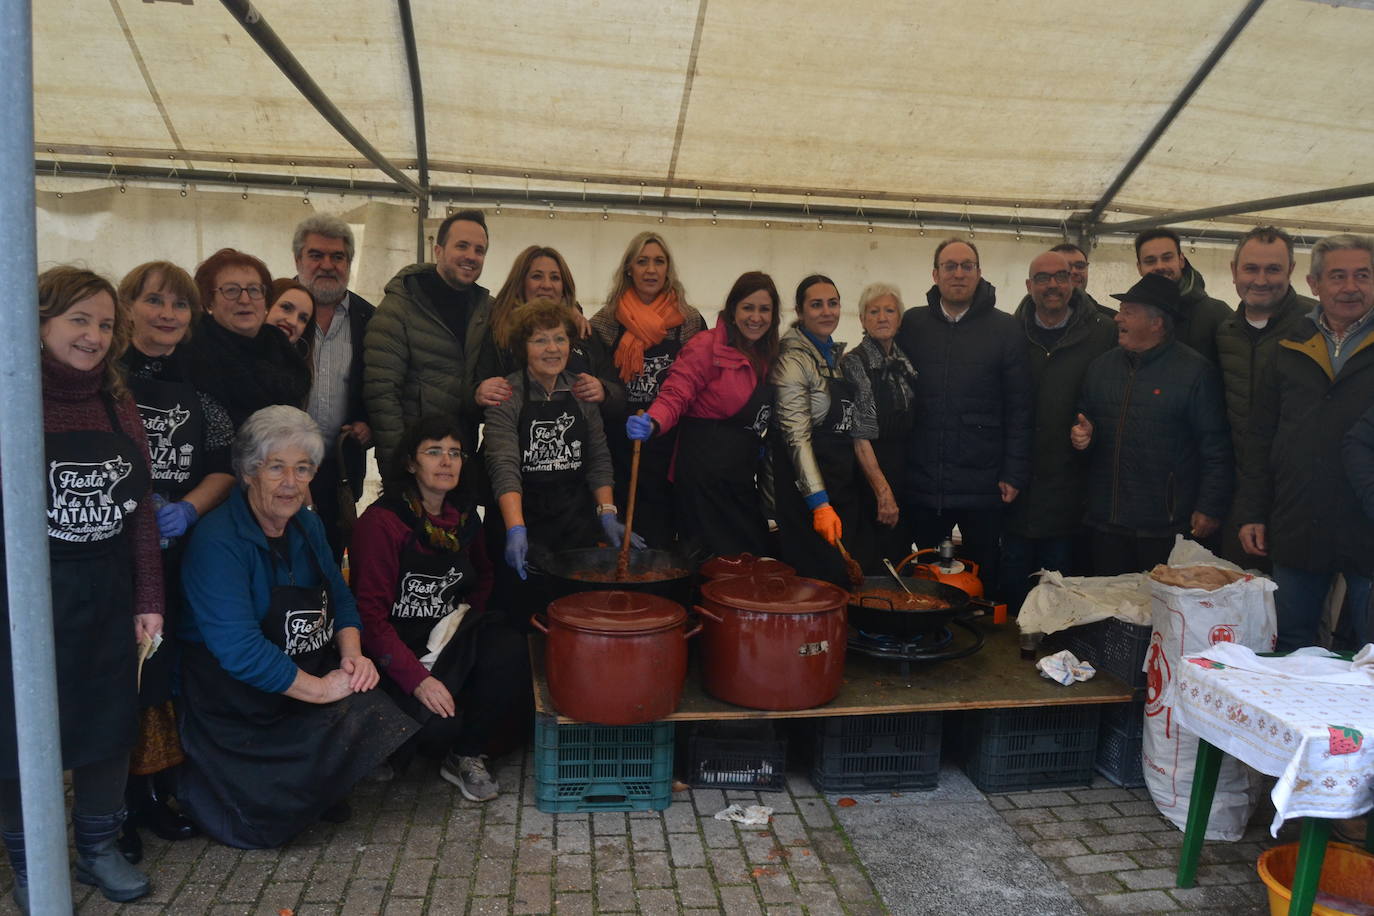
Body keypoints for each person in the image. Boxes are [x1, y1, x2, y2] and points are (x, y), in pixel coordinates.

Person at [177, 406, 415, 849]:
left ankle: (307, 789)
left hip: (292, 677)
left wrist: (351, 654)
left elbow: (339, 597)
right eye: (277, 468)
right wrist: (321, 690)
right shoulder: (218, 542)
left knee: (372, 703)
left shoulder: (307, 523)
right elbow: (240, 649)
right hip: (232, 700)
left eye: (302, 468)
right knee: (259, 823)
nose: (291, 483)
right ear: (249, 471)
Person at [0, 267, 161, 907]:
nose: (94, 336)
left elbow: (141, 510)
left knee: (107, 725)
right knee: (15, 732)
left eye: (103, 323)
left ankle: (98, 848)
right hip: (22, 597)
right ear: (39, 321)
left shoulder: (116, 401)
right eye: (78, 320)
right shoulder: (12, 392)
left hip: (105, 588)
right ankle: (30, 858)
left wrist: (149, 598)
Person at [116, 261, 238, 861]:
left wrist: (186, 509)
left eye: (180, 305)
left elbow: (222, 464)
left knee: (160, 674)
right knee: (119, 676)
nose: (167, 314)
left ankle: (155, 791)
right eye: (155, 301)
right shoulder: (105, 377)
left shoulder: (199, 379)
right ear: (128, 306)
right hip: (110, 549)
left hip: (175, 548)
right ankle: (111, 805)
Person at [349, 415, 529, 801]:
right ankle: (408, 742)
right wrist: (418, 679)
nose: (446, 461)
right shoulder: (382, 523)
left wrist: (463, 620)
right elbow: (371, 620)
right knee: (435, 729)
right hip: (397, 648)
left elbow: (484, 576)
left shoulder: (464, 518)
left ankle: (466, 756)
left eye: (454, 453)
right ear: (411, 463)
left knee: (509, 646)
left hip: (446, 638)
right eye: (434, 452)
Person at [1237, 233, 1374, 651]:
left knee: (1369, 649)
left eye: (1363, 275)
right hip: (1299, 517)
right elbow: (1260, 436)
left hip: (1367, 520)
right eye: (1337, 276)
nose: (1350, 286)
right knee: (1291, 641)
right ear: (1314, 285)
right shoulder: (1287, 344)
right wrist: (1252, 510)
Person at [895, 239, 1032, 596]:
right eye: (950, 266)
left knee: (980, 574)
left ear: (979, 273)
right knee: (924, 572)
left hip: (983, 482)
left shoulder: (1006, 329)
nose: (959, 273)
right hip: (923, 479)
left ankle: (979, 640)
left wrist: (1014, 472)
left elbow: (1019, 407)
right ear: (935, 274)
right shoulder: (912, 323)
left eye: (967, 266)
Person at [1072, 274, 1231, 575]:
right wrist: (1083, 437)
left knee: (1159, 614)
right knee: (1113, 610)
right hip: (1106, 524)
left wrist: (1210, 507)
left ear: (1157, 323)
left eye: (1128, 311)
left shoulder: (1195, 373)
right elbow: (1083, 422)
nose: (1117, 317)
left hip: (1165, 528)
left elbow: (1216, 447)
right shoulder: (1101, 367)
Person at [628, 271, 780, 558]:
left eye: (764, 309)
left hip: (740, 478)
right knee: (709, 565)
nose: (756, 317)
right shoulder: (705, 346)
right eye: (748, 307)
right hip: (701, 481)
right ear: (733, 311)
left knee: (749, 559)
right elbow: (676, 392)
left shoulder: (769, 356)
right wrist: (653, 420)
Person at [485, 300, 636, 587]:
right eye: (540, 340)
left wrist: (607, 513)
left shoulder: (581, 389)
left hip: (574, 525)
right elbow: (504, 467)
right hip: (523, 520)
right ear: (523, 347)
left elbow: (599, 458)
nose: (552, 349)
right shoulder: (507, 394)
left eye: (559, 339)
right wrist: (516, 529)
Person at [1000, 251, 1116, 611]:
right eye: (1043, 278)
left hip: (1071, 487)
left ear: (1074, 281)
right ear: (1028, 285)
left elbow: (1117, 400)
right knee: (1013, 592)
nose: (1052, 285)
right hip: (1015, 482)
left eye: (1061, 276)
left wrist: (1094, 430)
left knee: (1061, 590)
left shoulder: (1104, 333)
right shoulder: (1008, 332)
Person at [589, 232, 705, 548]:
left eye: (658, 261)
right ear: (629, 269)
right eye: (642, 262)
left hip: (669, 449)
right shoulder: (604, 323)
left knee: (662, 540)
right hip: (618, 448)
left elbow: (698, 385)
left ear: (668, 269)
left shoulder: (690, 321)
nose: (651, 270)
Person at [1213, 226, 1316, 568]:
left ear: (1290, 271)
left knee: (1295, 611)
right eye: (1251, 268)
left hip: (1302, 502)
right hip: (1242, 500)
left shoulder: (1316, 326)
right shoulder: (1226, 331)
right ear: (1233, 271)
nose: (1261, 279)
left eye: (1273, 269)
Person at [365, 209, 492, 472]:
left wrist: (572, 313)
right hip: (414, 460)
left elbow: (532, 321)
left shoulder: (487, 310)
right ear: (438, 250)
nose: (471, 256)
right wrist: (399, 466)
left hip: (460, 460)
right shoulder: (400, 306)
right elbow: (381, 393)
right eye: (462, 246)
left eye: (479, 250)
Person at [292, 214, 376, 561]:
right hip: (278, 466)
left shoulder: (371, 319)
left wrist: (369, 423)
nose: (327, 265)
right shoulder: (275, 312)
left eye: (337, 257)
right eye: (316, 255)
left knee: (327, 564)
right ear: (298, 259)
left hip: (339, 471)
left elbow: (380, 384)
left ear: (349, 262)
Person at [770, 275, 863, 587]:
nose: (827, 311)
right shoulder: (792, 360)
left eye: (833, 303)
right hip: (805, 494)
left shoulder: (832, 356)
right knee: (813, 584)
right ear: (800, 311)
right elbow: (796, 437)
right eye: (816, 305)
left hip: (839, 484)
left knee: (840, 579)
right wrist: (819, 503)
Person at [470, 245, 624, 418]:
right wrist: (479, 393)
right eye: (537, 277)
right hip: (512, 440)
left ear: (564, 287)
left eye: (555, 278)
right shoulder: (499, 333)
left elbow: (618, 394)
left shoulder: (583, 333)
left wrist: (603, 391)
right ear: (520, 283)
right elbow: (475, 398)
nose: (547, 285)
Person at [183, 248, 311, 429]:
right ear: (209, 301)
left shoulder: (285, 357)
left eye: (254, 289)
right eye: (231, 290)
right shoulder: (191, 352)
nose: (245, 299)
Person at [841, 282, 918, 570]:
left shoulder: (904, 361)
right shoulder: (855, 364)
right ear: (862, 319)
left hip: (903, 471)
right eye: (874, 311)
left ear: (899, 318)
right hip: (871, 475)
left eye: (889, 310)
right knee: (874, 561)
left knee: (900, 556)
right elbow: (861, 437)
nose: (882, 317)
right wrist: (883, 493)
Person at [1134, 228, 1233, 366]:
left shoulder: (1217, 313)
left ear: (1181, 260)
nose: (1160, 266)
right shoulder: (1132, 317)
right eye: (1150, 261)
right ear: (1139, 268)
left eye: (1167, 258)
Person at [1050, 241, 1114, 316]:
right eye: (1066, 266)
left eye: (1080, 266)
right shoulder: (1034, 316)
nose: (1074, 271)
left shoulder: (1110, 320)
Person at [266, 278, 317, 352]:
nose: (293, 322)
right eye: (286, 308)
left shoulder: (297, 363)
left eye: (302, 318)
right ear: (265, 305)